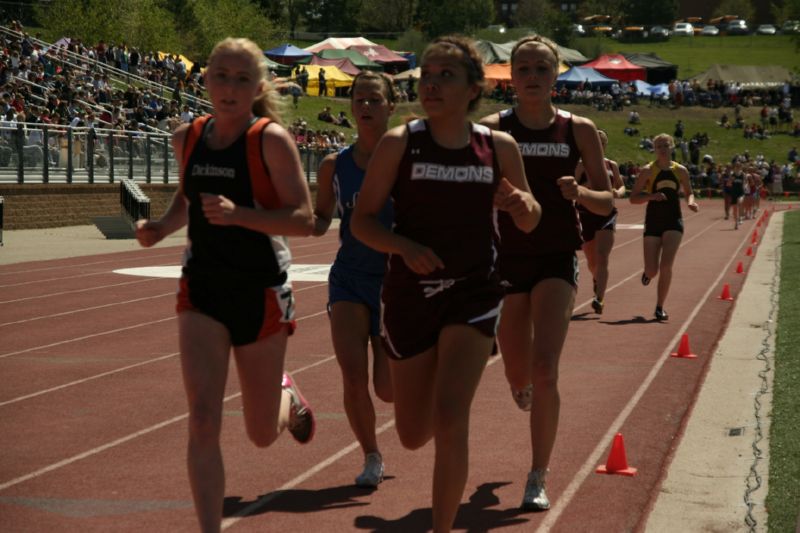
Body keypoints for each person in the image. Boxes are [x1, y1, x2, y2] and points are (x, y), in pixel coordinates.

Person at [351, 35, 540, 532]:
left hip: (473, 292)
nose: (431, 84)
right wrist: (403, 247)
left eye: (445, 76)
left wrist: (523, 205)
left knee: (453, 416)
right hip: (410, 296)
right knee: (414, 433)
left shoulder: (497, 147)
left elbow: (531, 216)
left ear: (474, 89)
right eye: (426, 75)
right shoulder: (400, 142)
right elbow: (363, 222)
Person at [134, 37, 315, 533]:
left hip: (260, 288)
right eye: (220, 76)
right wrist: (160, 228)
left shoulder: (269, 139)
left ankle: (285, 395)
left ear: (257, 86)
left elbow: (303, 219)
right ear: (205, 79)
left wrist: (243, 216)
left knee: (260, 434)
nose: (229, 87)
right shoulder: (187, 136)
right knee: (202, 418)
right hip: (203, 288)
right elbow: (187, 202)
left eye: (241, 79)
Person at [479, 35, 613, 511]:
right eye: (524, 69)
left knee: (545, 367)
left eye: (541, 69)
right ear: (510, 78)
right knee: (519, 373)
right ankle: (521, 388)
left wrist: (578, 193)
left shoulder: (578, 129)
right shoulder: (491, 129)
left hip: (557, 255)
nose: (533, 77)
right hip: (507, 258)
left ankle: (538, 474)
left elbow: (607, 199)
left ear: (556, 75)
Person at [311, 71, 397, 488]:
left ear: (390, 107)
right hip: (348, 277)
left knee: (388, 390)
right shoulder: (335, 165)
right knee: (351, 375)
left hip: (395, 283)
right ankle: (371, 454)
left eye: (374, 100)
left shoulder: (407, 161)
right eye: (358, 99)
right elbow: (320, 218)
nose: (365, 106)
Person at [630, 133, 699, 321]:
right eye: (658, 145)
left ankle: (659, 307)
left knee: (666, 265)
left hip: (673, 221)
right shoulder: (647, 171)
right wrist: (651, 196)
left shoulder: (681, 171)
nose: (662, 148)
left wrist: (691, 202)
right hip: (653, 221)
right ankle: (647, 273)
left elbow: (689, 193)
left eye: (665, 145)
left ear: (672, 147)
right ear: (654, 149)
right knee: (653, 270)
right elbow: (633, 198)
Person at [574, 129, 626, 314]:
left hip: (607, 213)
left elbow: (620, 185)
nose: (598, 145)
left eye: (601, 142)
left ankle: (599, 299)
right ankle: (597, 279)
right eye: (595, 142)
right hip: (585, 214)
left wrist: (618, 193)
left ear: (604, 145)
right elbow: (571, 186)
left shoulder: (611, 165)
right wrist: (585, 189)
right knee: (591, 261)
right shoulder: (580, 165)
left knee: (602, 256)